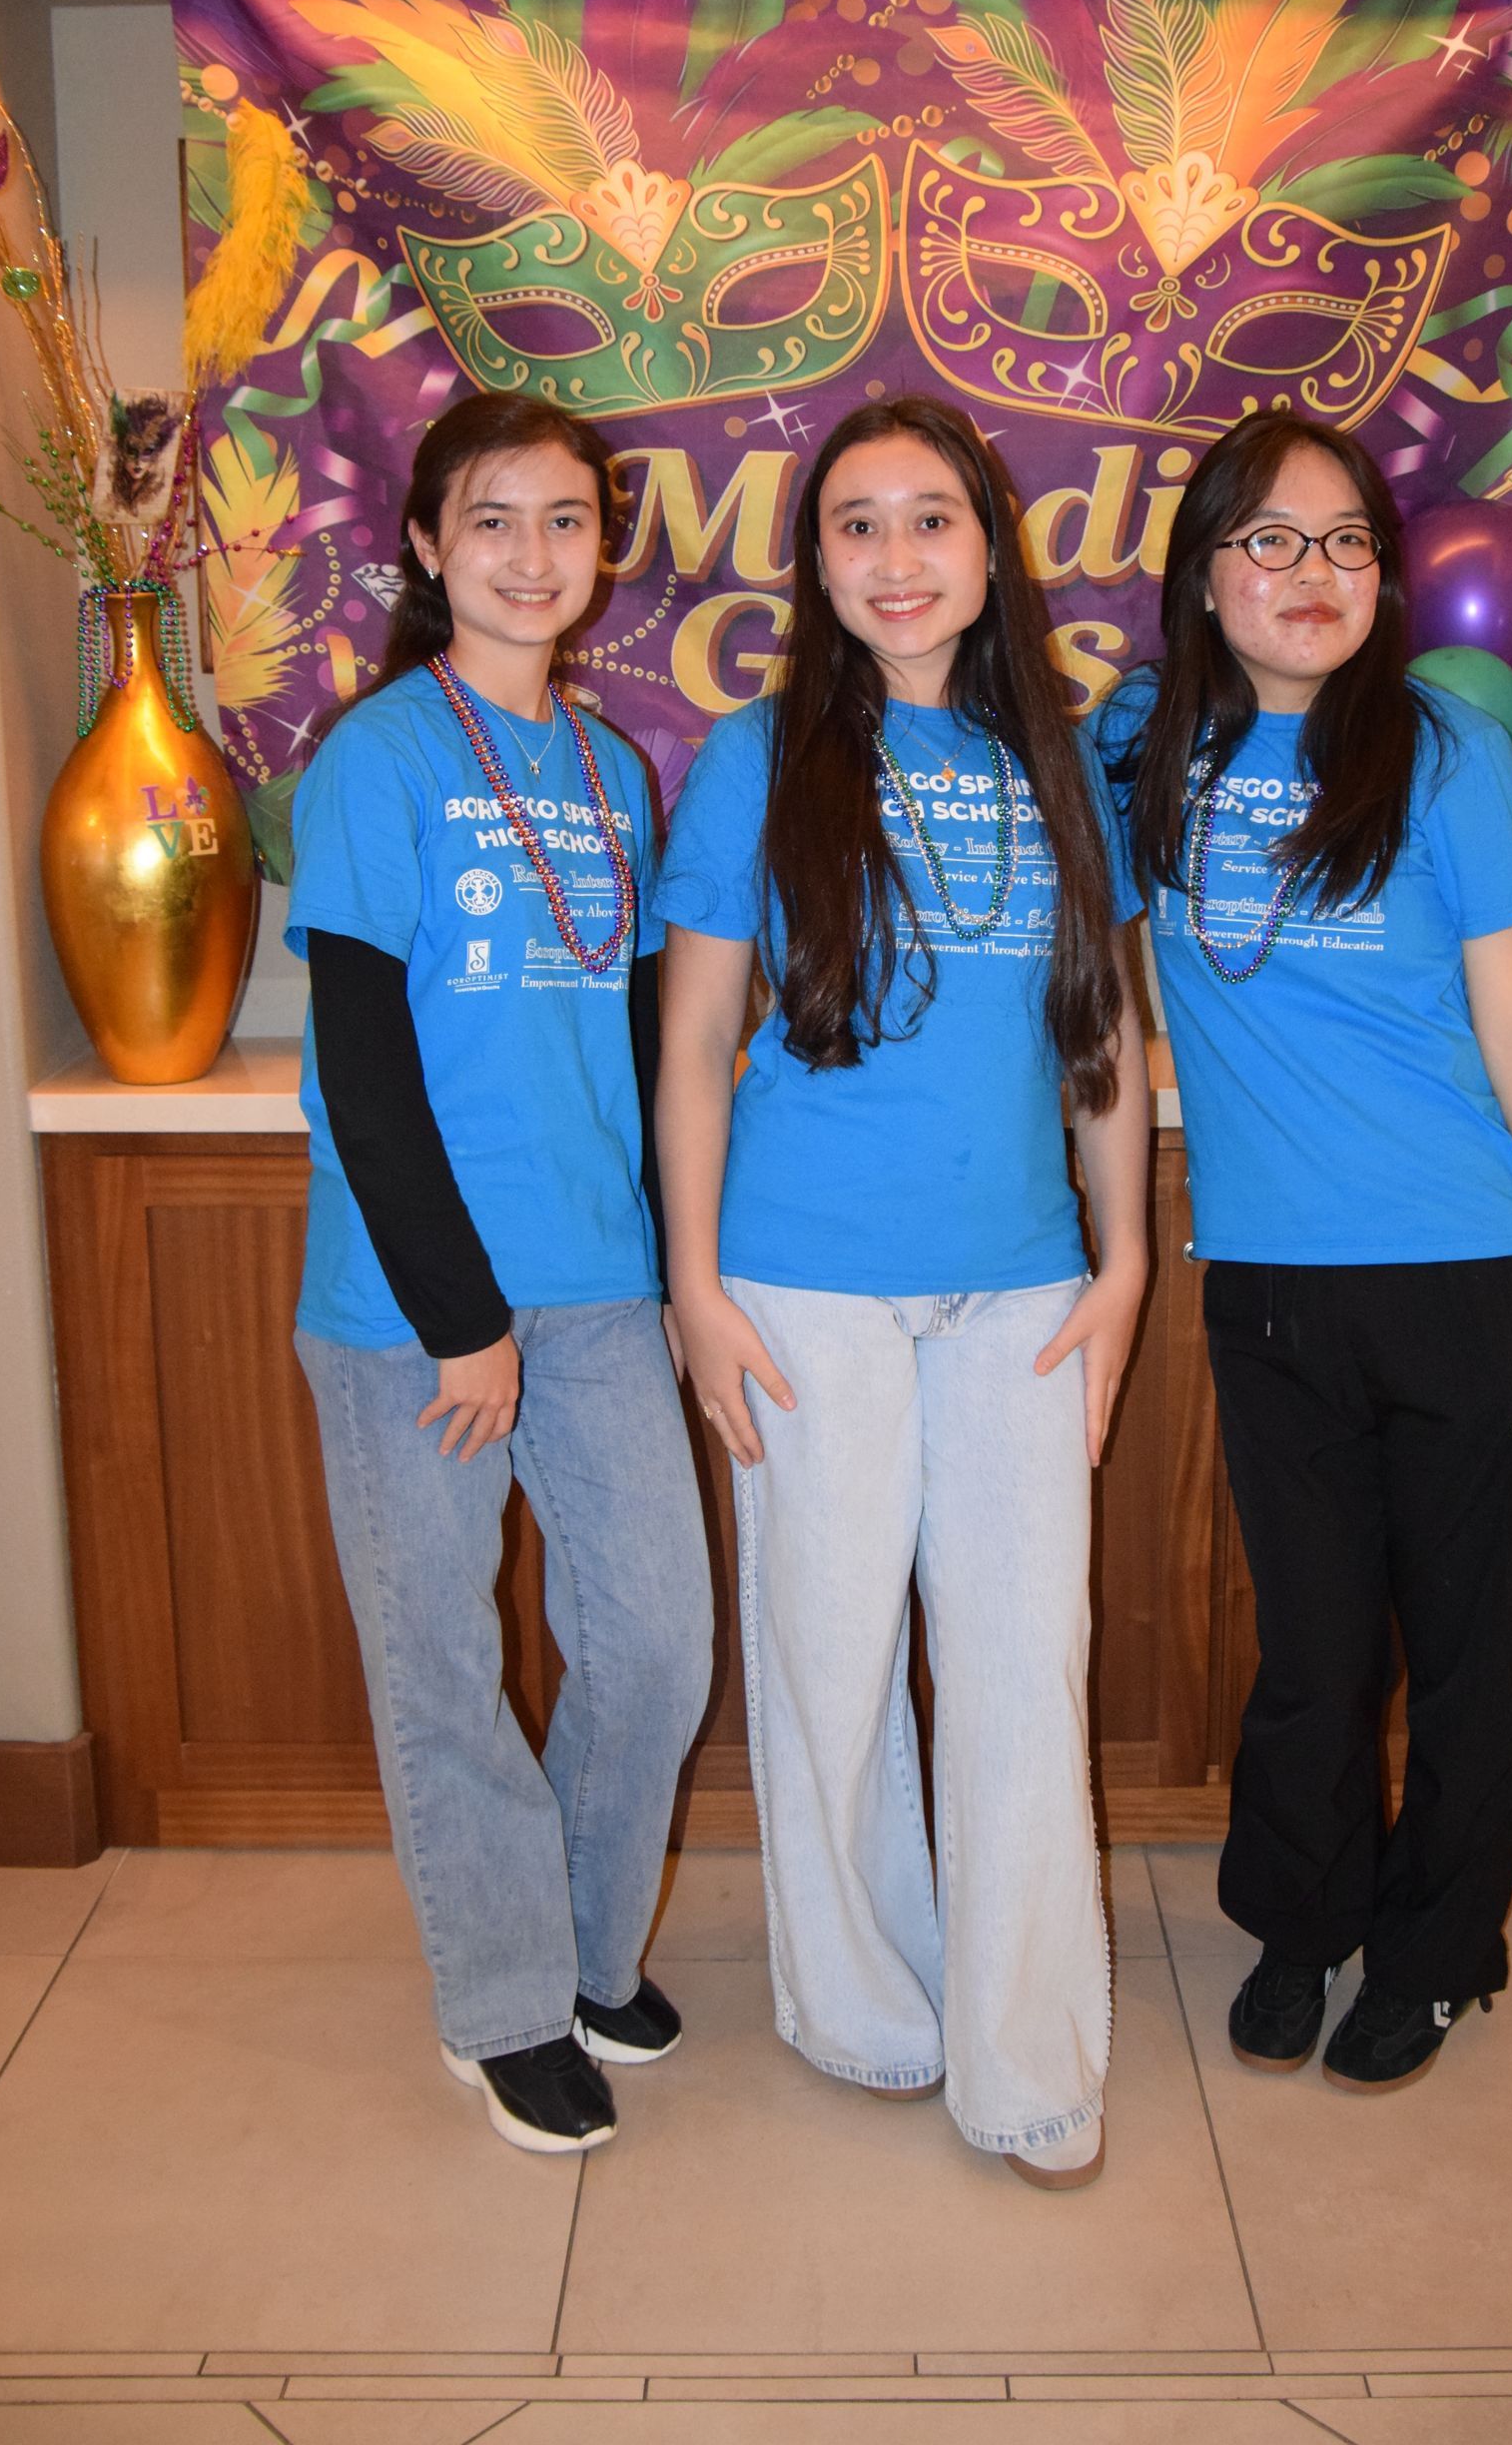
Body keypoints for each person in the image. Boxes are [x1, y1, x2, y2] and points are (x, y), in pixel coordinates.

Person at [1097, 408, 1512, 2093]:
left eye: (1342, 544)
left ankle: (1441, 1953)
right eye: (1266, 541)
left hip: (1475, 1277)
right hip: (1269, 1285)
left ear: (1382, 577)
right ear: (1204, 574)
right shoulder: (1140, 749)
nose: (1308, 577)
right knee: (1316, 1653)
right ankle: (1301, 1923)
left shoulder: (1445, 754)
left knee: (1474, 1650)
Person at [656, 395, 1149, 2189]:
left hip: (1023, 1290)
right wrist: (695, 1286)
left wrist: (1128, 1260)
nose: (893, 556)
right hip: (801, 1288)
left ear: (985, 543)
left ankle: (1027, 2060)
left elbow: (1105, 1040)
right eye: (852, 524)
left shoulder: (1068, 763)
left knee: (1026, 1664)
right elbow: (697, 1038)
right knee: (829, 1656)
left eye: (926, 517)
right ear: (817, 561)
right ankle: (861, 2002)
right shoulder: (753, 757)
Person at [287, 395, 712, 2155]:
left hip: (599, 1283)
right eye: (494, 522)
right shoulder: (378, 760)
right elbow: (365, 1075)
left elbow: (629, 1041)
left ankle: (588, 1944)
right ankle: (504, 2000)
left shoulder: (616, 772)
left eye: (565, 522)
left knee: (659, 1643)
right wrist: (463, 1322)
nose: (533, 555)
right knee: (445, 1665)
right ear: (426, 547)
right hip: (414, 1310)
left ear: (600, 551)